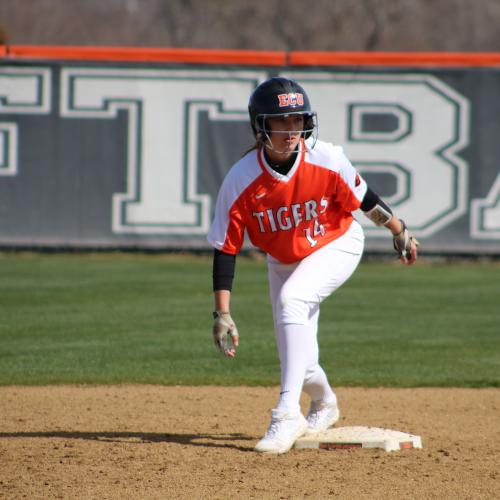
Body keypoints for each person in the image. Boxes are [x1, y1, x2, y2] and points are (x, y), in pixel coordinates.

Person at [207, 77, 419, 454]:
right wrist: (222, 312)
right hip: (284, 261)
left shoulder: (326, 158)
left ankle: (286, 414)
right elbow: (226, 248)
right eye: (281, 121)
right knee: (299, 359)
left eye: (297, 120)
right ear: (261, 126)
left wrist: (398, 230)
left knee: (292, 302)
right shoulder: (241, 179)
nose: (292, 130)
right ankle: (324, 402)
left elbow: (365, 199)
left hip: (337, 243)